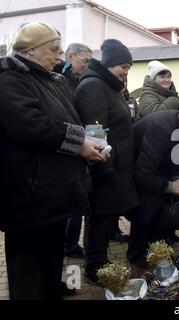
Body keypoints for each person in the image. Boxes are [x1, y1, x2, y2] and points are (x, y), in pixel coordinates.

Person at [0, 22, 104, 299]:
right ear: (31, 50)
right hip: (29, 195)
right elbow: (30, 125)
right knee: (28, 267)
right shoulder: (10, 78)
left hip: (52, 192)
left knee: (51, 254)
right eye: (53, 50)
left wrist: (87, 142)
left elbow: (66, 120)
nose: (59, 56)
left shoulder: (47, 78)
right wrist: (79, 144)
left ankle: (51, 287)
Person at [75, 39, 138, 283]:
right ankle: (94, 268)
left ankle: (100, 261)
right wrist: (104, 169)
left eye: (129, 68)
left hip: (116, 166)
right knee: (98, 218)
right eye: (123, 66)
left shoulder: (110, 86)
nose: (125, 72)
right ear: (109, 64)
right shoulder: (94, 87)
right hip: (104, 166)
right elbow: (94, 130)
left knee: (106, 217)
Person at [127, 108, 179, 276]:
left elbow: (177, 161)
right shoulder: (160, 128)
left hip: (157, 170)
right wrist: (169, 186)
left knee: (161, 213)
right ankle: (137, 261)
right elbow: (142, 172)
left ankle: (158, 254)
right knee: (145, 213)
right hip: (137, 170)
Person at [137, 60, 179, 244]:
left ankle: (168, 232)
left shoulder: (174, 94)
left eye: (168, 76)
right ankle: (154, 238)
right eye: (162, 76)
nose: (166, 79)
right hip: (153, 150)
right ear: (153, 78)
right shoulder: (148, 94)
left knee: (170, 197)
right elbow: (153, 117)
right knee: (155, 196)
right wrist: (172, 101)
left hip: (170, 149)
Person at [53, 43, 93, 259]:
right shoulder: (59, 80)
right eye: (84, 60)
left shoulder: (78, 80)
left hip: (79, 146)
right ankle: (66, 245)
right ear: (70, 56)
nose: (86, 65)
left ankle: (70, 243)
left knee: (79, 198)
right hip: (67, 148)